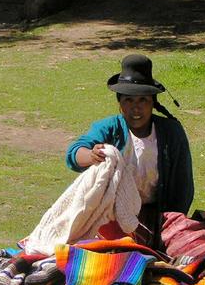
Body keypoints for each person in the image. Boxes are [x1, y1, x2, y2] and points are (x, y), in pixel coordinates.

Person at [65, 54, 194, 253]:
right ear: (120, 103)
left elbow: (182, 186)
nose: (136, 107)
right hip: (112, 217)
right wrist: (91, 156)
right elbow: (73, 154)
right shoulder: (108, 128)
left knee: (198, 244)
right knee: (105, 251)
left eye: (143, 100)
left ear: (152, 103)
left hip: (160, 217)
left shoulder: (171, 133)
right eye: (129, 100)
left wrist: (170, 225)